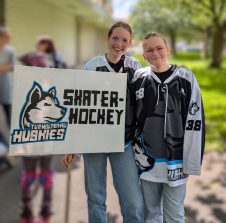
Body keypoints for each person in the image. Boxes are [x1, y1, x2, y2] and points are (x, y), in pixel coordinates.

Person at [63, 22, 145, 223]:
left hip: (123, 142)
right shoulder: (92, 66)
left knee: (133, 200)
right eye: (115, 38)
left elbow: (143, 103)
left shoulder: (135, 67)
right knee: (96, 197)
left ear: (130, 43)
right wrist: (71, 144)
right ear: (107, 39)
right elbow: (79, 106)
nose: (119, 43)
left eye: (124, 39)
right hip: (94, 142)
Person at [132, 31, 205, 223]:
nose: (155, 53)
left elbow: (195, 120)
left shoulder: (186, 77)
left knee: (174, 214)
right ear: (144, 54)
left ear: (168, 49)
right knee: (151, 213)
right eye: (150, 50)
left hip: (176, 161)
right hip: (146, 161)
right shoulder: (138, 78)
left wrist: (192, 160)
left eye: (159, 48)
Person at [20, 35, 66, 223]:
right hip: (28, 141)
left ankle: (44, 211)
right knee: (30, 176)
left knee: (45, 176)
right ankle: (27, 212)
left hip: (46, 140)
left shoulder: (53, 91)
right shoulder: (25, 88)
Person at [0, 26, 15, 128]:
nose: (9, 39)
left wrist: (6, 67)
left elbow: (11, 66)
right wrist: (4, 66)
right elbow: (6, 66)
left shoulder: (10, 50)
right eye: (7, 36)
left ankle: (10, 131)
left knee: (8, 110)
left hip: (5, 84)